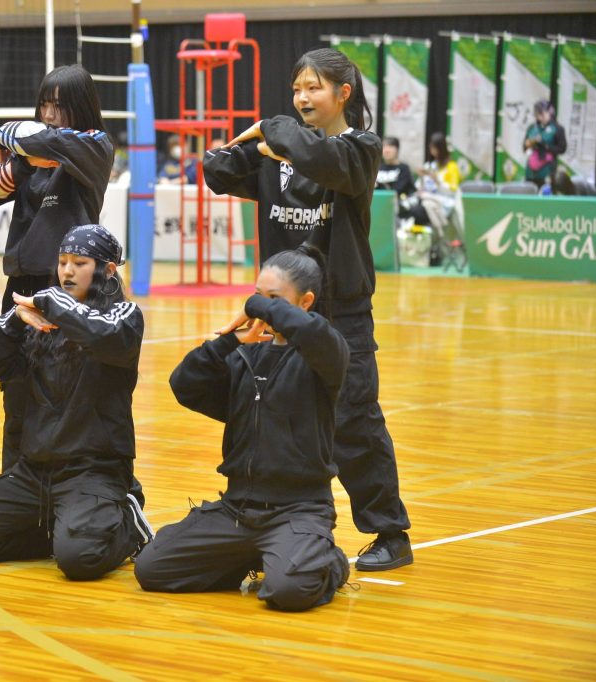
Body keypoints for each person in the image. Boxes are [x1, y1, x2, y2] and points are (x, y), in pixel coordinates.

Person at [203, 47, 413, 571]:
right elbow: (217, 171)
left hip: (342, 312)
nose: (302, 98)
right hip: (282, 313)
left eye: (313, 87)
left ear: (344, 94)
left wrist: (273, 132)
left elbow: (319, 158)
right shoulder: (278, 151)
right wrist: (246, 144)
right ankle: (290, 526)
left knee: (354, 422)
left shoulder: (359, 149)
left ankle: (390, 533)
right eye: (297, 88)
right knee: (281, 415)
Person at [136, 246, 350, 611]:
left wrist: (255, 305)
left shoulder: (326, 352)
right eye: (257, 296)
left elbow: (310, 331)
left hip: (298, 510)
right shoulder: (245, 354)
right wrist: (228, 341)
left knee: (287, 592)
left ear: (306, 302)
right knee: (152, 568)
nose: (260, 309)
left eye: (273, 300)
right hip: (237, 510)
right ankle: (255, 555)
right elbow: (184, 384)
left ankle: (329, 562)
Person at [0, 224, 153, 580]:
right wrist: (16, 321)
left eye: (80, 263)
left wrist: (54, 304)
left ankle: (128, 521)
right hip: (35, 471)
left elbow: (104, 335)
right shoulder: (40, 317)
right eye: (62, 262)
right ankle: (62, 532)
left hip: (94, 469)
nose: (67, 271)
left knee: (80, 561)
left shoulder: (124, 315)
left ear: (108, 270)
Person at [0, 63, 114, 471]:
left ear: (81, 106)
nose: (49, 114)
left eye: (59, 105)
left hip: (69, 286)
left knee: (63, 389)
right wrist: (20, 156)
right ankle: (14, 480)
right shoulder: (32, 158)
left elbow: (28, 136)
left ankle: (69, 482)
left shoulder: (96, 145)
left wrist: (17, 141)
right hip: (21, 286)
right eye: (44, 104)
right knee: (15, 388)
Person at [417, 132, 462, 249]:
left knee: (424, 208)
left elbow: (452, 190)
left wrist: (437, 180)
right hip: (428, 198)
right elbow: (421, 187)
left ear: (441, 148)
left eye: (434, 148)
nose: (432, 151)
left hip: (445, 202)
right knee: (421, 207)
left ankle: (439, 241)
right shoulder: (430, 166)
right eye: (431, 148)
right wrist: (422, 177)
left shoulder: (452, 167)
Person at [376, 136, 426, 226]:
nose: (386, 150)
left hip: (400, 209)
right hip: (378, 206)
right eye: (384, 146)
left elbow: (398, 190)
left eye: (390, 146)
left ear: (397, 150)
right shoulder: (377, 168)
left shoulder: (404, 168)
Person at [524, 100, 567, 189]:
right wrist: (529, 144)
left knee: (546, 191)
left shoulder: (557, 128)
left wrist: (545, 146)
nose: (540, 117)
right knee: (529, 191)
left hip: (547, 170)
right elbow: (524, 147)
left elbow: (562, 148)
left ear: (550, 112)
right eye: (537, 114)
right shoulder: (532, 128)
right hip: (531, 170)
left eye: (542, 113)